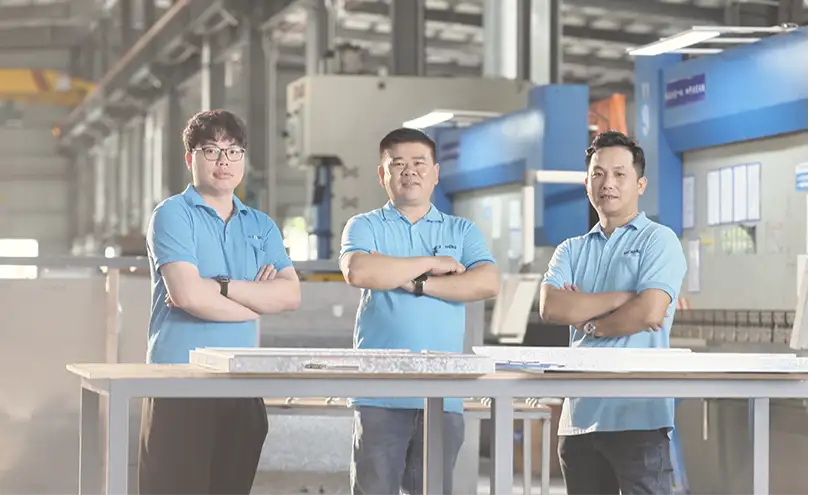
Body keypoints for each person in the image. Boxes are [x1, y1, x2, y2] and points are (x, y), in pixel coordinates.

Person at [139, 109, 301, 495]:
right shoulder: (173, 215)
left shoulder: (260, 225)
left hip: (243, 383)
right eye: (211, 151)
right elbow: (187, 294)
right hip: (179, 383)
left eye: (233, 151)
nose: (223, 161)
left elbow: (291, 294)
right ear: (190, 158)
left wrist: (223, 287)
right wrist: (257, 299)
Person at [339, 127, 500, 494]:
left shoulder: (462, 230)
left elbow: (487, 282)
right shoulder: (364, 225)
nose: (409, 171)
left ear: (435, 172)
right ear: (383, 174)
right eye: (398, 164)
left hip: (443, 393)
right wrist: (432, 261)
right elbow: (360, 271)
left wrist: (413, 281)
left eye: (418, 163)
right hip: (379, 392)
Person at [539, 131, 687, 495]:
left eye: (620, 174)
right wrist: (625, 298)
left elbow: (650, 310)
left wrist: (589, 320)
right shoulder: (571, 250)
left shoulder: (658, 240)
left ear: (640, 183)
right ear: (586, 182)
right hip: (580, 419)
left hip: (639, 416)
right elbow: (551, 306)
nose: (608, 183)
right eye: (598, 173)